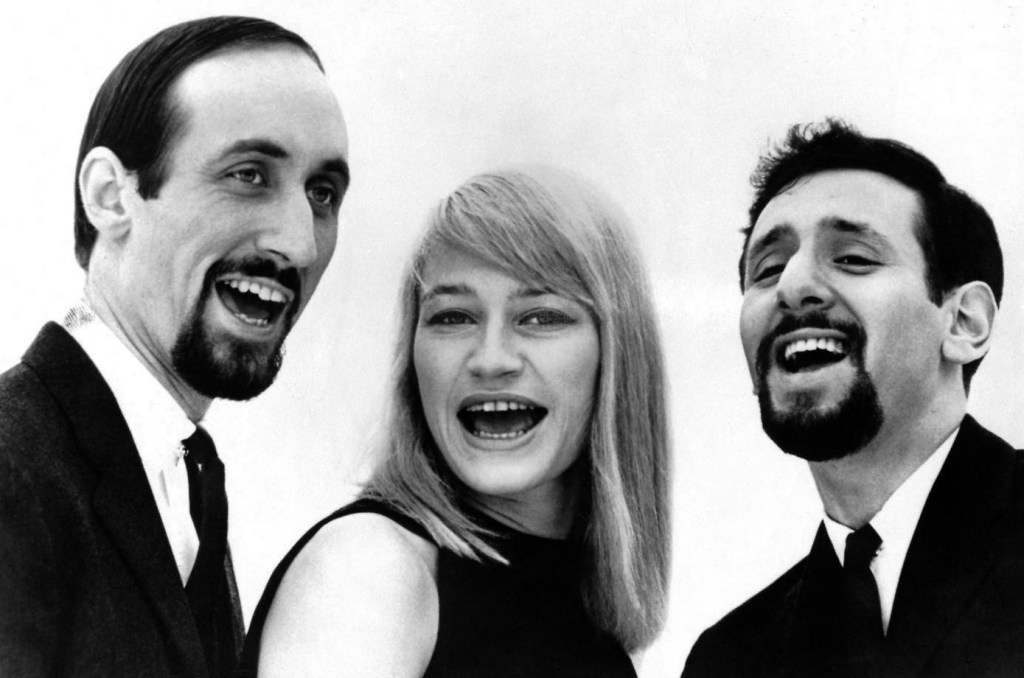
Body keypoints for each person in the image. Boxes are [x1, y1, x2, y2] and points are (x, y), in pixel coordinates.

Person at [0, 16, 349, 678]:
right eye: (249, 175)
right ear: (111, 197)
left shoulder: (185, 475)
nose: (301, 244)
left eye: (322, 193)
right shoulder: (13, 468)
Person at [238, 166, 671, 677]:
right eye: (453, 317)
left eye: (542, 317)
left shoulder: (591, 618)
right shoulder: (368, 569)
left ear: (617, 353)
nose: (491, 359)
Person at [682, 119, 1022, 678]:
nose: (792, 286)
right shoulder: (730, 659)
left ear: (964, 322)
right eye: (768, 270)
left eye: (854, 258)